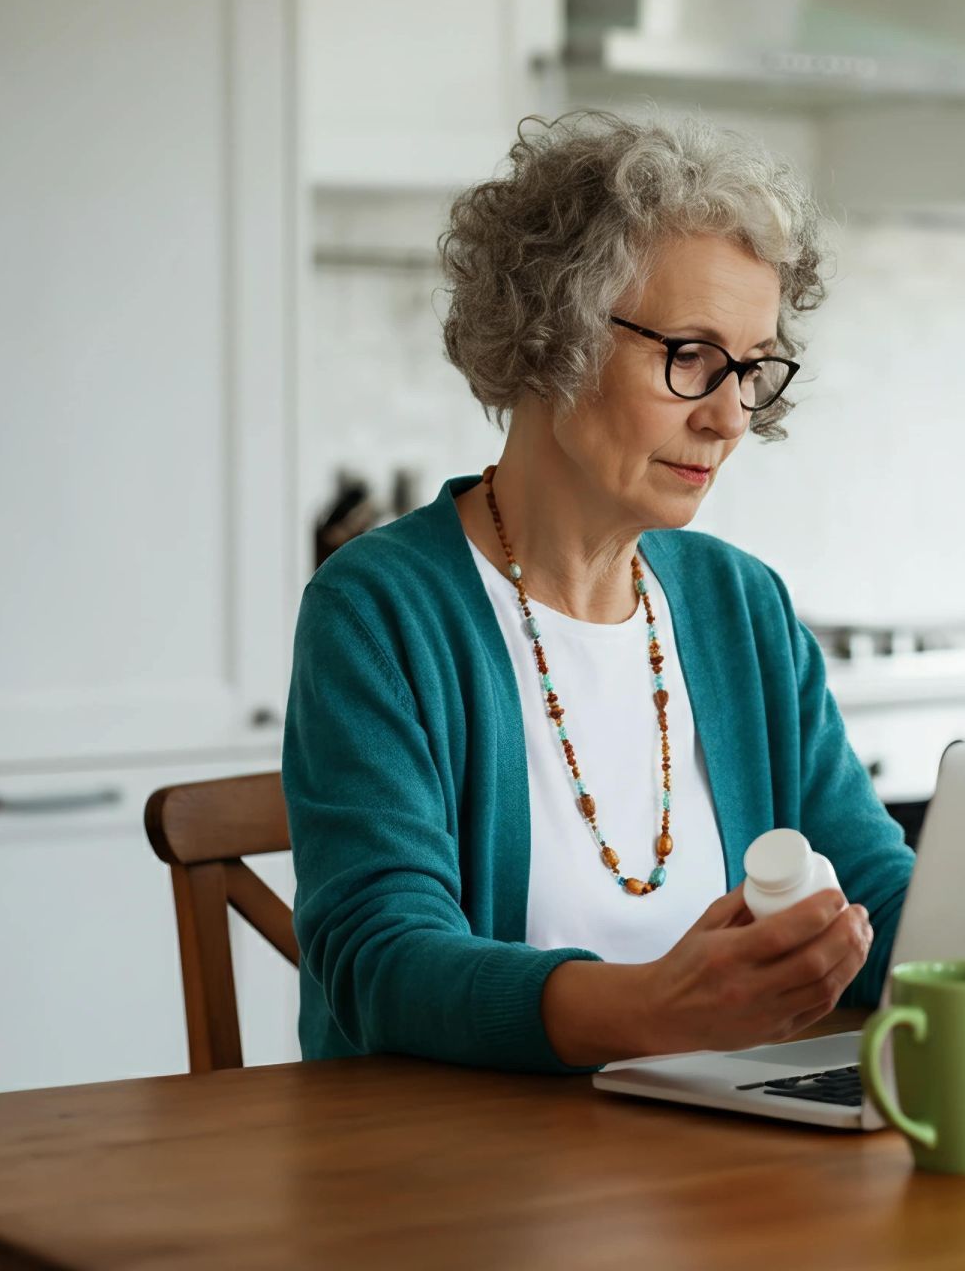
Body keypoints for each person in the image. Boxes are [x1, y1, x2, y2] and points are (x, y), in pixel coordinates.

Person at [281, 110, 914, 1074]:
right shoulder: (380, 609)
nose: (728, 417)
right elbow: (383, 963)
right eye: (692, 356)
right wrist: (656, 1008)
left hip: (708, 1170)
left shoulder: (742, 608)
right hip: (457, 1181)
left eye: (751, 370)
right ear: (552, 334)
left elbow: (871, 887)